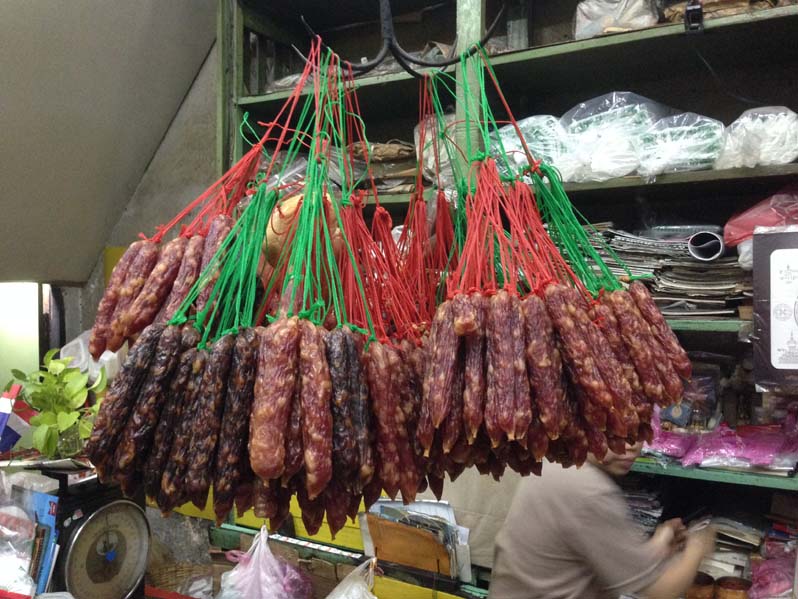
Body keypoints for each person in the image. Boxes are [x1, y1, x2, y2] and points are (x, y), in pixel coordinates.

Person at [488, 441, 716, 599]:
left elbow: (605, 553)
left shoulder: (555, 464)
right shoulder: (588, 489)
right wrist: (699, 545)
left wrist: (659, 543)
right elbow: (661, 590)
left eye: (639, 431)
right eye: (618, 430)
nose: (632, 445)